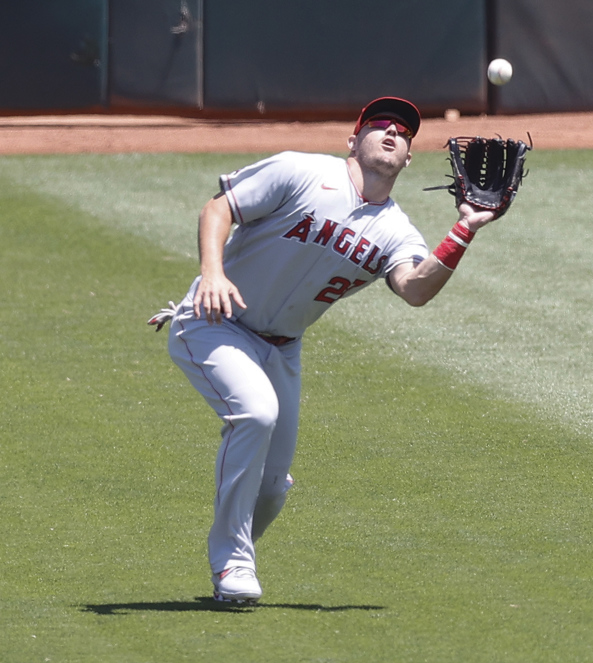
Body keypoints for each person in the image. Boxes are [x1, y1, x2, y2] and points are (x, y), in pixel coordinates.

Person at [157, 97, 496, 603]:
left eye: (403, 132)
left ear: (408, 158)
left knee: (273, 488)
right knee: (256, 413)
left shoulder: (395, 231)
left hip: (281, 350)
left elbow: (415, 289)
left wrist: (465, 228)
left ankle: (230, 569)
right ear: (352, 140)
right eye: (379, 124)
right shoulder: (300, 172)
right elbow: (219, 207)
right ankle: (231, 562)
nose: (391, 132)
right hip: (213, 321)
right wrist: (212, 273)